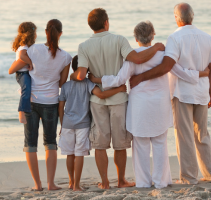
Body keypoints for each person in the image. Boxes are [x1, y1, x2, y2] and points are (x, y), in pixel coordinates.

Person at [89, 21, 210, 188]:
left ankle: (143, 182)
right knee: (160, 144)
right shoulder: (163, 55)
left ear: (136, 38)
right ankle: (161, 182)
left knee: (140, 146)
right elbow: (180, 72)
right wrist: (201, 74)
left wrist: (97, 79)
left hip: (139, 106)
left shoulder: (132, 57)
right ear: (153, 35)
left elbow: (118, 80)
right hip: (159, 104)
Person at [70, 8, 166, 189]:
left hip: (97, 100)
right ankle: (121, 180)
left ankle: (105, 182)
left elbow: (81, 74)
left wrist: (73, 78)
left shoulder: (83, 46)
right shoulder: (119, 40)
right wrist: (157, 47)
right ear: (106, 22)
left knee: (100, 142)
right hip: (119, 98)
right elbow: (136, 59)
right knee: (119, 142)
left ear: (91, 26)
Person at [129, 3, 211, 185]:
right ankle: (210, 174)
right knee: (202, 135)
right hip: (201, 93)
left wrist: (141, 77)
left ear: (177, 18)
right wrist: (210, 93)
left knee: (184, 135)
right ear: (192, 17)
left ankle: (189, 177)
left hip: (182, 93)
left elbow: (167, 66)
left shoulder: (175, 38)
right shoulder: (207, 38)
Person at [9, 19, 72, 190]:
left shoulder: (33, 49)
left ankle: (37, 185)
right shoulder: (66, 57)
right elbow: (61, 83)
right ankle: (51, 184)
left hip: (31, 101)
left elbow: (20, 65)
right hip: (50, 102)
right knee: (50, 142)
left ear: (45, 32)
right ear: (60, 34)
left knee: (30, 143)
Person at [58, 55, 127, 191]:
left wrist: (62, 123)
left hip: (67, 124)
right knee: (79, 154)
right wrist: (119, 89)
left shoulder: (65, 86)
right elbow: (101, 95)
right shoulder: (88, 84)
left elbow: (60, 107)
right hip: (83, 124)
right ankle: (77, 185)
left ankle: (71, 182)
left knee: (69, 154)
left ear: (72, 68)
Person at [8, 22, 36, 124]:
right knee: (26, 90)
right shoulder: (24, 47)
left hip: (25, 73)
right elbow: (22, 56)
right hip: (22, 73)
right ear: (31, 34)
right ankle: (22, 112)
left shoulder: (26, 46)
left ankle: (36, 111)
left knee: (32, 90)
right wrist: (30, 63)